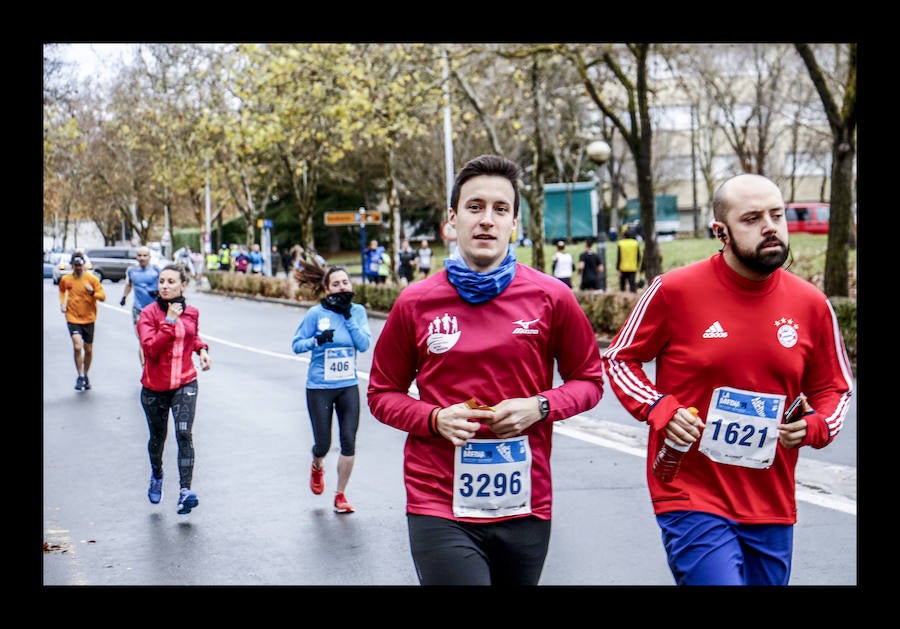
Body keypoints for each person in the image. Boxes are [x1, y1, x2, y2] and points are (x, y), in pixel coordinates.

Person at [601, 173, 853, 586]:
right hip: (689, 491)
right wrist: (659, 407)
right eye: (752, 218)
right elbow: (619, 359)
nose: (770, 226)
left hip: (770, 499)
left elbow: (834, 388)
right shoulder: (673, 291)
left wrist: (815, 425)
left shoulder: (811, 304)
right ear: (721, 232)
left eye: (777, 214)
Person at [367, 154, 605, 585]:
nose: (487, 221)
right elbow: (382, 394)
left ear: (515, 224)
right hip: (437, 499)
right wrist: (434, 418)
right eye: (475, 207)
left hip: (526, 500)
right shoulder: (415, 303)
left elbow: (589, 381)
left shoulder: (552, 297)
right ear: (452, 222)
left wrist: (541, 406)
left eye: (500, 210)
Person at [291, 262, 372, 514]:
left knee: (349, 441)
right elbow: (296, 344)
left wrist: (348, 318)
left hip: (348, 385)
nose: (341, 287)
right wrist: (316, 340)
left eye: (344, 283)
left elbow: (363, 344)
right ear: (327, 289)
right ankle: (317, 464)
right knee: (323, 444)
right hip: (320, 387)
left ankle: (340, 494)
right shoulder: (316, 314)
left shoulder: (357, 311)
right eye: (335, 284)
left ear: (351, 285)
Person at [137, 264, 211, 515]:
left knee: (183, 434)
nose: (165, 286)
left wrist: (202, 350)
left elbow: (191, 337)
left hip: (185, 382)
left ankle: (185, 492)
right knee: (158, 439)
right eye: (161, 281)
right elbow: (150, 349)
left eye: (170, 281)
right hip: (154, 388)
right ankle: (157, 473)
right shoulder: (148, 314)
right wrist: (168, 321)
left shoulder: (191, 313)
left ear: (183, 286)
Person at [59, 252, 106, 391]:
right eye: (75, 266)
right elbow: (62, 291)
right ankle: (79, 375)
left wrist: (92, 293)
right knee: (77, 346)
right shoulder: (66, 279)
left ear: (83, 265)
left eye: (80, 265)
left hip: (89, 318)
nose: (78, 268)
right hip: (72, 317)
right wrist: (63, 303)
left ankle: (85, 374)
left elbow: (102, 296)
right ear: (72, 265)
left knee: (88, 349)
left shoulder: (91, 279)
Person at [120, 245, 161, 367]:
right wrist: (124, 297)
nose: (142, 258)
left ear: (149, 257)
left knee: (155, 340)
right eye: (139, 255)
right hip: (138, 310)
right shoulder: (131, 271)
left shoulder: (156, 271)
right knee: (143, 340)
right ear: (136, 257)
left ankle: (154, 367)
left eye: (145, 255)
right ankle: (145, 370)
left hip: (155, 310)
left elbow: (164, 285)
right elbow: (129, 285)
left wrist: (158, 292)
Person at [615, 228, 641, 292]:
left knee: (622, 285)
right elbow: (638, 256)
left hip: (623, 267)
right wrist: (637, 265)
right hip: (632, 267)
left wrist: (617, 268)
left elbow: (619, 257)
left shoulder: (621, 243)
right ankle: (633, 298)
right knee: (632, 285)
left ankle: (623, 298)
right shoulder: (635, 243)